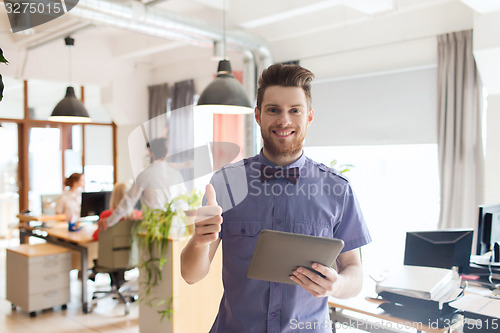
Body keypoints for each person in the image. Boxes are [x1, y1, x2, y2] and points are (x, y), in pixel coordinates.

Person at [181, 64, 372, 332]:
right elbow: (191, 275)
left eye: (295, 110)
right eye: (273, 110)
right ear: (258, 116)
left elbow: (354, 271)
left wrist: (337, 285)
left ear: (309, 117)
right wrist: (200, 241)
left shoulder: (337, 189)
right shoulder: (226, 184)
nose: (284, 120)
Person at [98, 137, 185, 231]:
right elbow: (183, 201)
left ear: (150, 153)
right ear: (167, 154)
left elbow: (128, 202)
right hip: (175, 228)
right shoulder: (176, 174)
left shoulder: (144, 175)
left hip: (153, 229)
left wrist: (109, 221)